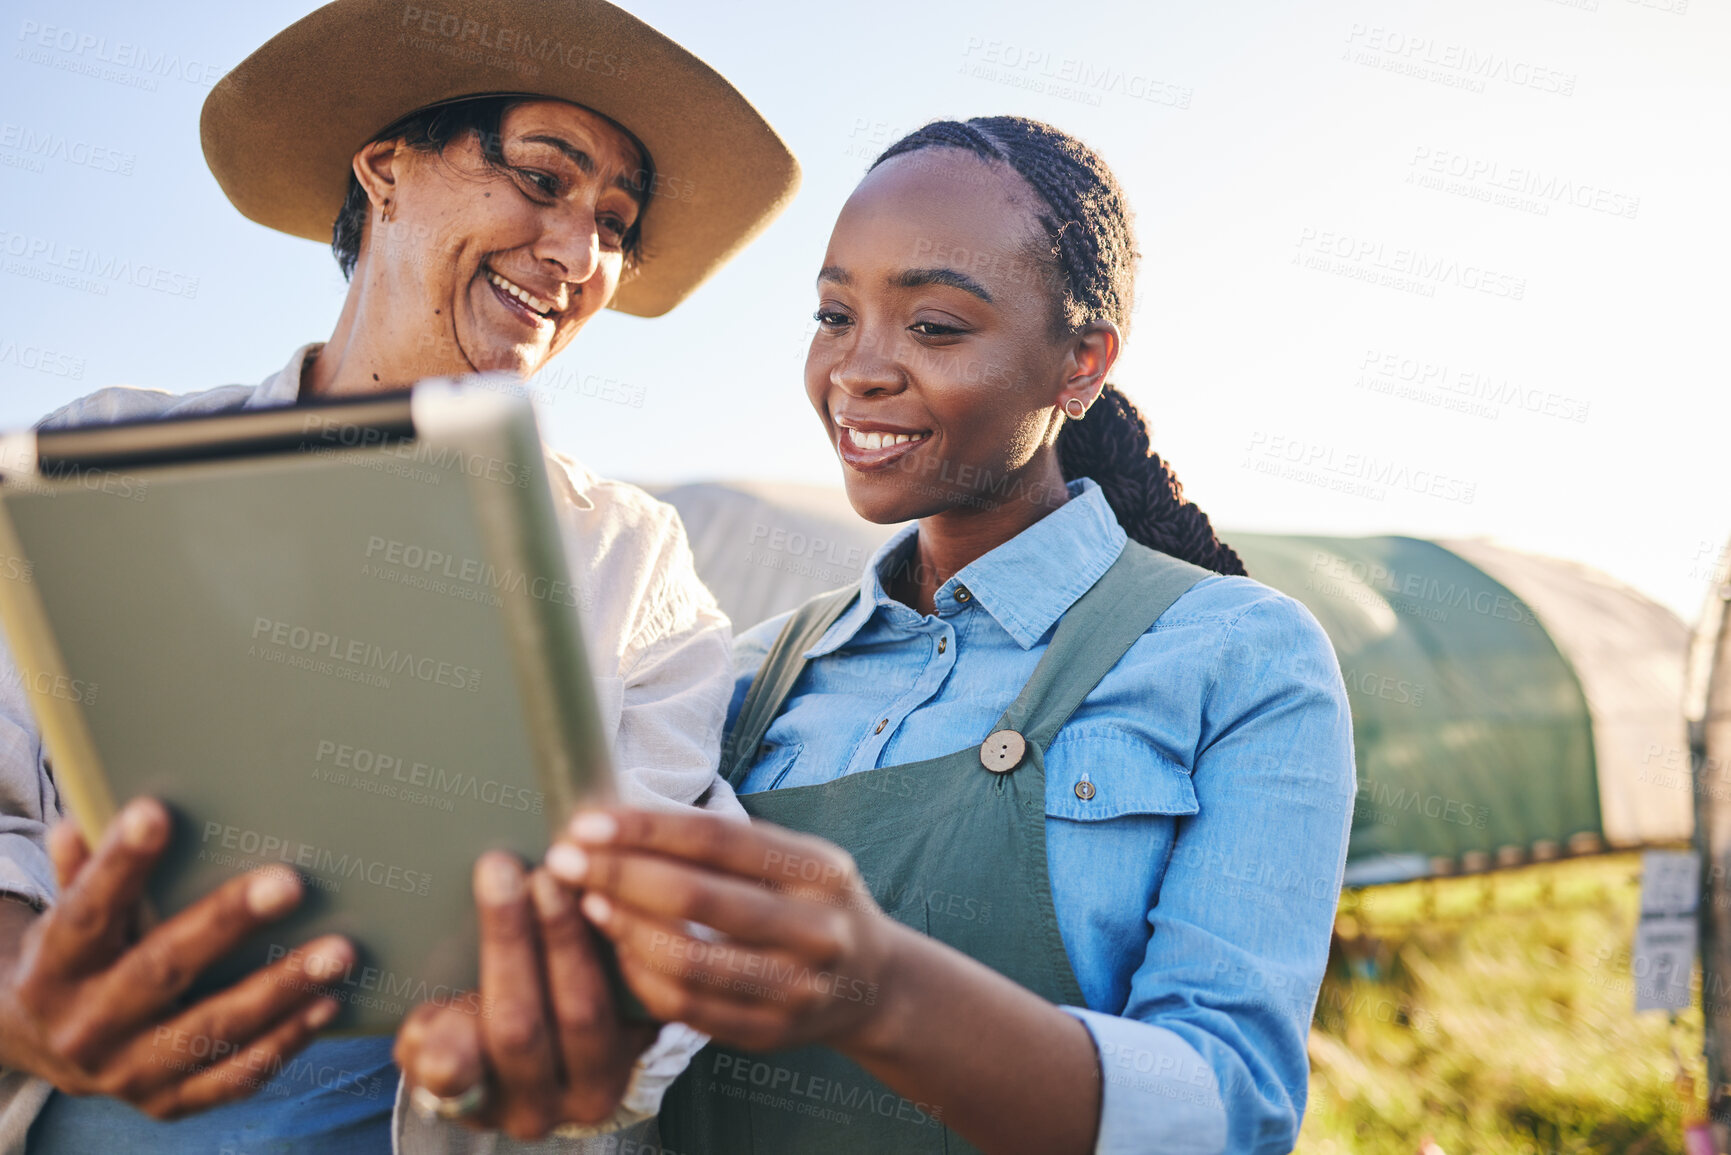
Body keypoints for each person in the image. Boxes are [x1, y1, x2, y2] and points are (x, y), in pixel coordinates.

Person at [398, 116, 1357, 1154]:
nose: (859, 369)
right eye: (833, 314)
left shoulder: (1240, 656)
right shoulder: (743, 677)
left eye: (935, 327)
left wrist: (888, 995)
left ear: (1080, 364)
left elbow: (1235, 1108)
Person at [0, 0, 798, 1151]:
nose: (578, 255)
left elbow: (647, 897)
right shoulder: (103, 458)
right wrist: (26, 984)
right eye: (542, 178)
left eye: (615, 225)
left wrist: (559, 1017)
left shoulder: (631, 561)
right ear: (385, 168)